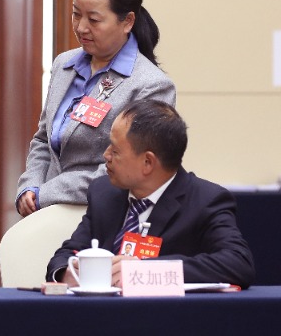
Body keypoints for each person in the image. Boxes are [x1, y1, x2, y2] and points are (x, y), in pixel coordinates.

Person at [16, 0, 176, 217]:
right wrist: (29, 187)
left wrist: (46, 192)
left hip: (105, 218)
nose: (81, 27)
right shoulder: (64, 65)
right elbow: (43, 139)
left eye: (94, 19)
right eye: (76, 14)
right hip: (46, 213)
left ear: (127, 21)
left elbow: (128, 167)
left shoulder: (151, 85)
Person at [47, 99, 256, 288]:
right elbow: (67, 254)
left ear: (148, 162)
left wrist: (145, 270)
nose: (106, 155)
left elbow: (238, 263)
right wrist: (67, 273)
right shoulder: (104, 193)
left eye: (116, 151)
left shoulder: (205, 200)